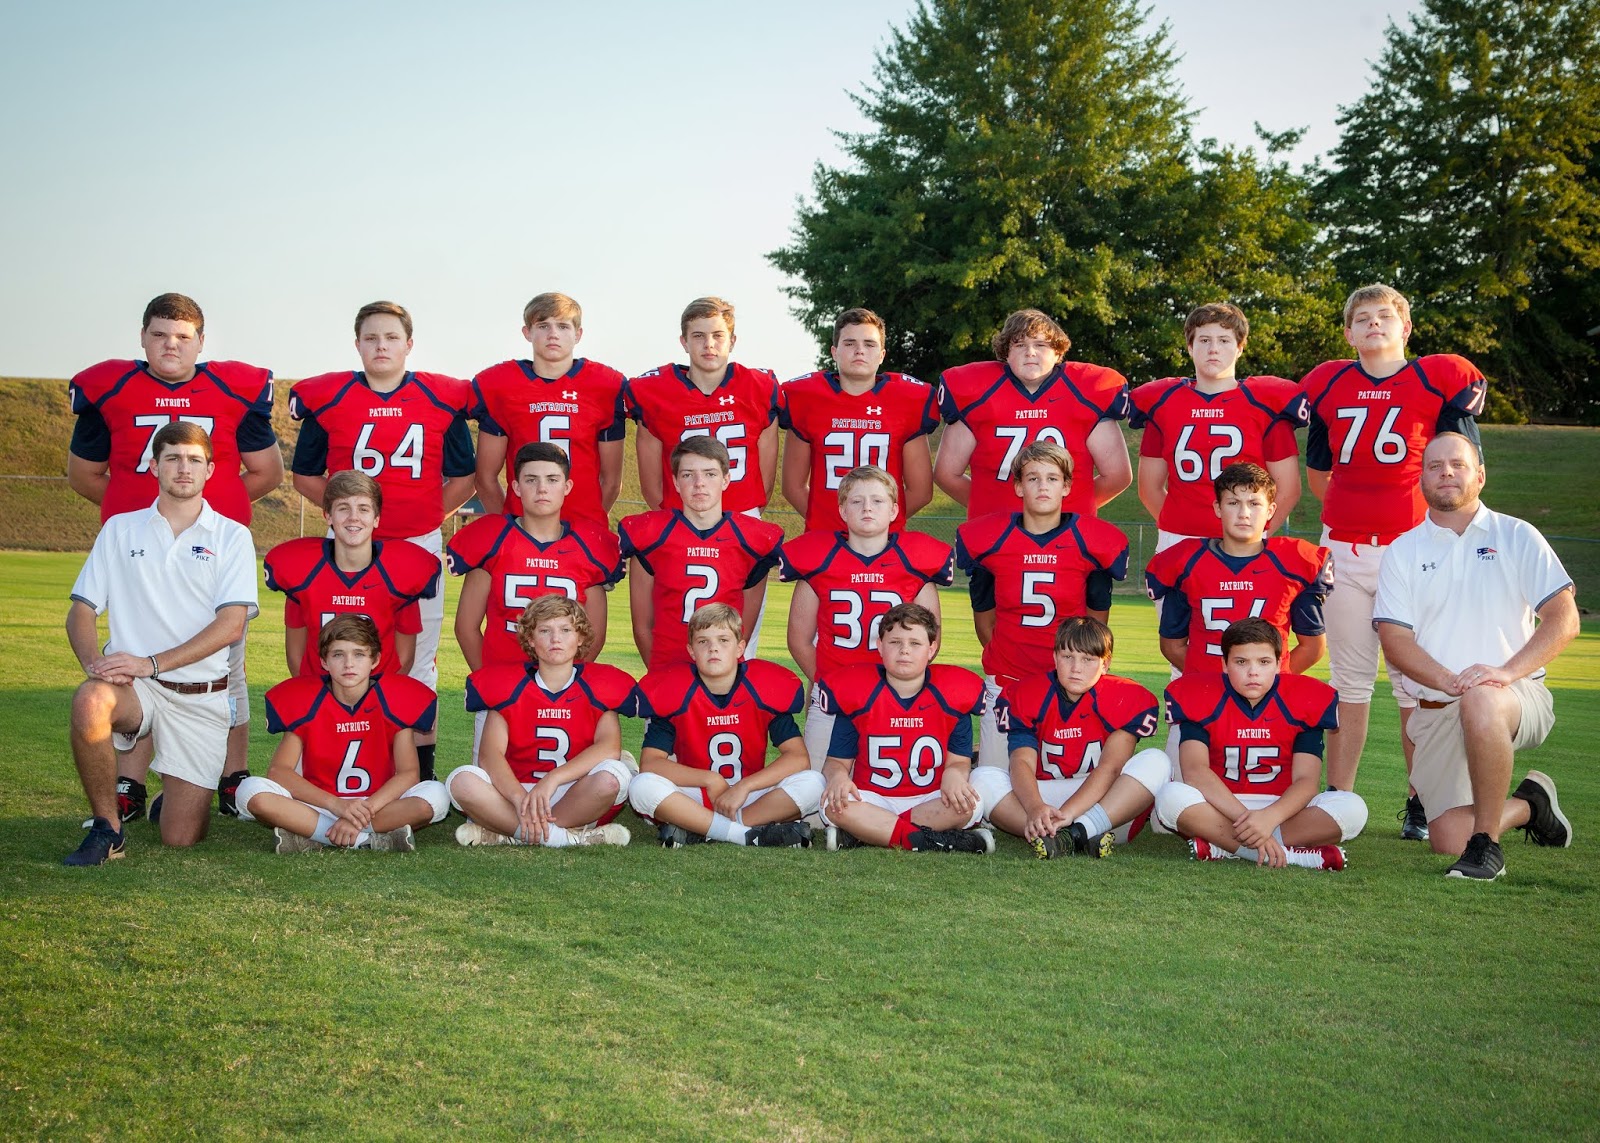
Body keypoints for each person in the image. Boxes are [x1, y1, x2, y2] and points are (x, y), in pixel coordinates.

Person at [66, 292, 280, 823]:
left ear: (201, 342)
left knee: (227, 669)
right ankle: (129, 784)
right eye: (159, 334)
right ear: (142, 337)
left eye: (183, 337)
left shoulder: (233, 388)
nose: (170, 345)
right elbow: (85, 475)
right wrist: (142, 517)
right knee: (130, 658)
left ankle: (229, 775)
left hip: (208, 549)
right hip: (141, 551)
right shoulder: (109, 388)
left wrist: (206, 513)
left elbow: (266, 472)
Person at [1296, 285, 1487, 832]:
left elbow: (1459, 465)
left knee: (1416, 683)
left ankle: (1421, 800)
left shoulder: (1436, 377)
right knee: (1349, 681)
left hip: (1412, 550)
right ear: (1348, 332)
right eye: (1362, 318)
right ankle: (1339, 797)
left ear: (1405, 328)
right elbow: (1319, 471)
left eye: (1385, 316)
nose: (1374, 324)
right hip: (1344, 546)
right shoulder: (1329, 383)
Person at [1373, 432, 1577, 880]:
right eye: (1434, 466)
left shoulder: (1517, 535)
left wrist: (1504, 673)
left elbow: (1564, 619)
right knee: (1448, 839)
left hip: (1513, 695)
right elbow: (1395, 640)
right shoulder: (1403, 551)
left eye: (1458, 464)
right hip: (1437, 706)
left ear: (1480, 476)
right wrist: (1448, 680)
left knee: (1481, 697)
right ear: (1421, 479)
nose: (1446, 472)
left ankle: (1487, 847)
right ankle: (1531, 805)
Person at [289, 300, 477, 781]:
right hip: (346, 546)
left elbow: (465, 477)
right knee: (334, 651)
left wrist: (425, 516)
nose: (381, 346)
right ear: (357, 344)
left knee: (419, 659)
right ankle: (327, 766)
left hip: (416, 544)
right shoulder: (328, 397)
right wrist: (350, 518)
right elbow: (304, 475)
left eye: (391, 337)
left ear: (409, 344)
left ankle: (420, 774)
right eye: (371, 338)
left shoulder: (441, 398)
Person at [63, 422, 260, 865]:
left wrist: (150, 662)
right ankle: (108, 827)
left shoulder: (232, 536)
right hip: (137, 689)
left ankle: (173, 795)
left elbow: (231, 626)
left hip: (199, 696)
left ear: (210, 470)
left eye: (194, 460)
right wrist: (95, 664)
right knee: (90, 701)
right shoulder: (120, 529)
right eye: (172, 458)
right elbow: (81, 610)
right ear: (154, 466)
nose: (183, 468)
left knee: (181, 836)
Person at [955, 442, 1128, 768]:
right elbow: (984, 623)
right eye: (1033, 478)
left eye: (1052, 478)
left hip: (1068, 685)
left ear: (1067, 486)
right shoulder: (989, 538)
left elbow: (1094, 628)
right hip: (1007, 680)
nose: (1042, 486)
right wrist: (1009, 658)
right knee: (993, 780)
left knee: (1066, 776)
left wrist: (1074, 670)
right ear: (1019, 486)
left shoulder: (1091, 541)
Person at [1156, 618, 1369, 871]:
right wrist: (1248, 822)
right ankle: (1289, 855)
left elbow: (1306, 781)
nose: (1253, 672)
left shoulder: (1302, 698)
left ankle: (1225, 847)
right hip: (1222, 806)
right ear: (1224, 664)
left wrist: (1269, 818)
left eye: (1264, 662)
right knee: (1170, 797)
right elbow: (1196, 772)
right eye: (1241, 662)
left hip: (1283, 810)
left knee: (1353, 808)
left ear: (1279, 664)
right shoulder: (1200, 696)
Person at [779, 465, 954, 768]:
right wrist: (827, 680)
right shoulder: (818, 559)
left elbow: (930, 639)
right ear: (843, 511)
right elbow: (799, 639)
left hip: (893, 692)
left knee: (885, 775)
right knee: (820, 777)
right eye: (857, 501)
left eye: (877, 501)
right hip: (834, 692)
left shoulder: (916, 561)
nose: (867, 508)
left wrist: (899, 685)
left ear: (894, 510)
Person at [238, 615, 449, 853]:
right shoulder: (308, 700)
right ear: (324, 661)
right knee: (250, 792)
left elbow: (409, 773)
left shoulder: (393, 699)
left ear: (375, 660)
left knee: (436, 796)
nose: (349, 664)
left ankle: (318, 835)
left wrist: (362, 811)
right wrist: (337, 806)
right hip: (320, 804)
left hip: (379, 804)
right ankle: (367, 840)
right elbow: (279, 771)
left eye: (359, 654)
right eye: (338, 654)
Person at [447, 596, 635, 848]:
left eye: (565, 630)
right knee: (461, 781)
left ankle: (511, 834)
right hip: (518, 791)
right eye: (545, 631)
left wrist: (552, 780)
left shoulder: (599, 685)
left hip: (573, 791)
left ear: (580, 638)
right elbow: (490, 756)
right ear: (531, 640)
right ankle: (566, 838)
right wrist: (518, 797)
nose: (555, 639)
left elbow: (609, 748)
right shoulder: (509, 686)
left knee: (613, 776)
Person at [627, 604, 822, 848]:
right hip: (698, 792)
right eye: (703, 642)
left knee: (814, 782)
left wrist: (745, 786)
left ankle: (702, 829)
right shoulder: (676, 690)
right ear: (691, 651)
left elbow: (798, 758)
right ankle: (744, 833)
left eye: (723, 640)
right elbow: (651, 763)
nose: (713, 648)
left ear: (740, 648)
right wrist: (709, 779)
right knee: (641, 786)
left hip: (749, 795)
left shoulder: (761, 688)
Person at [974, 617, 1166, 858]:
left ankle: (1070, 833)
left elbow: (1110, 768)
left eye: (1088, 659)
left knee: (1157, 761)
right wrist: (1035, 807)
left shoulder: (1123, 697)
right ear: (1055, 658)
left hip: (1105, 803)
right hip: (1046, 798)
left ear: (1105, 664)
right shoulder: (1027, 694)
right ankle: (1079, 835)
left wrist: (1068, 814)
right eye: (1068, 657)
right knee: (982, 777)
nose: (1076, 668)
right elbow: (1021, 761)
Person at [816, 603, 993, 853]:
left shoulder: (952, 694)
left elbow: (959, 761)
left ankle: (868, 833)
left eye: (915, 643)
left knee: (972, 804)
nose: (904, 650)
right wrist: (838, 778)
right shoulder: (858, 693)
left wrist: (954, 775)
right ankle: (933, 840)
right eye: (895, 642)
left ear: (931, 649)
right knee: (833, 805)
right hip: (872, 798)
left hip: (930, 798)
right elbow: (836, 761)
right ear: (880, 646)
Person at [1129, 302, 1304, 543]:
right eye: (1204, 340)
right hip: (1178, 539)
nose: (1213, 349)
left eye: (1223, 340)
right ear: (1190, 347)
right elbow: (1149, 488)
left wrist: (1255, 534)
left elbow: (1289, 490)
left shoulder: (1266, 404)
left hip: (1243, 540)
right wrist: (1178, 529)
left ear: (1239, 348)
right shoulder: (1162, 403)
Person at [934, 307, 1131, 521]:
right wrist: (989, 506)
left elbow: (1116, 476)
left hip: (1067, 528)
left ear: (1058, 352)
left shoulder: (1088, 390)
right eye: (1019, 345)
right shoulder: (977, 391)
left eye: (1040, 344)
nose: (1030, 352)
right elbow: (947, 474)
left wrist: (1068, 505)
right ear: (1006, 353)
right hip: (995, 528)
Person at [449, 442, 621, 676]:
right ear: (516, 487)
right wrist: (488, 680)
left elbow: (594, 635)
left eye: (552, 479)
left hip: (562, 687)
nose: (542, 489)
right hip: (502, 681)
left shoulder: (590, 546)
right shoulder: (492, 540)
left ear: (567, 486)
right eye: (531, 480)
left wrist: (563, 682)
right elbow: (466, 627)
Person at [1146, 463, 1331, 679]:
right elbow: (1172, 646)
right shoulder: (1186, 563)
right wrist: (1212, 679)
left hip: (1268, 691)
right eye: (1233, 503)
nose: (1244, 513)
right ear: (1218, 508)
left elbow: (1312, 647)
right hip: (1209, 688)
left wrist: (1266, 680)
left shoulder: (1294, 563)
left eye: (1254, 503)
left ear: (1271, 510)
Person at [618, 436, 783, 671]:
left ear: (726, 480)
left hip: (724, 675)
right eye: (688, 475)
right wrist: (661, 673)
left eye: (710, 474)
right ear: (675, 482)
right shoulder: (652, 535)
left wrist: (722, 672)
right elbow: (642, 627)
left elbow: (743, 630)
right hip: (669, 667)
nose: (699, 483)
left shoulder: (751, 540)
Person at [471, 292, 627, 531]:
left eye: (563, 326)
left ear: (578, 334)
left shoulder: (605, 385)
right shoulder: (502, 385)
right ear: (527, 332)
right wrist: (510, 527)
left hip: (582, 527)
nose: (553, 334)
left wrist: (589, 522)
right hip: (523, 526)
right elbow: (485, 478)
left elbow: (612, 481)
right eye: (543, 325)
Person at [263, 471, 440, 680]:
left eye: (363, 509)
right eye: (343, 508)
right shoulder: (302, 571)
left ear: (376, 518)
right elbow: (295, 657)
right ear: (328, 515)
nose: (353, 517)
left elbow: (404, 658)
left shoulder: (401, 573)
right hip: (318, 691)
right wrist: (320, 695)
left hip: (378, 692)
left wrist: (375, 695)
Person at [778, 308, 938, 532]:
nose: (860, 350)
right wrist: (828, 522)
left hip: (884, 540)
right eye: (850, 343)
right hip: (826, 537)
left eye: (869, 344)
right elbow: (793, 487)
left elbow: (920, 491)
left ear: (882, 355)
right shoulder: (807, 398)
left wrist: (878, 524)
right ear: (834, 352)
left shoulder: (906, 400)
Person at [624, 296, 780, 516]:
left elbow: (766, 480)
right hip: (680, 517)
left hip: (743, 516)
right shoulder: (655, 392)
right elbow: (652, 486)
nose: (709, 344)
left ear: (732, 341)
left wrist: (747, 514)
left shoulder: (758, 388)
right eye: (698, 336)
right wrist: (677, 519)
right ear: (684, 342)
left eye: (718, 335)